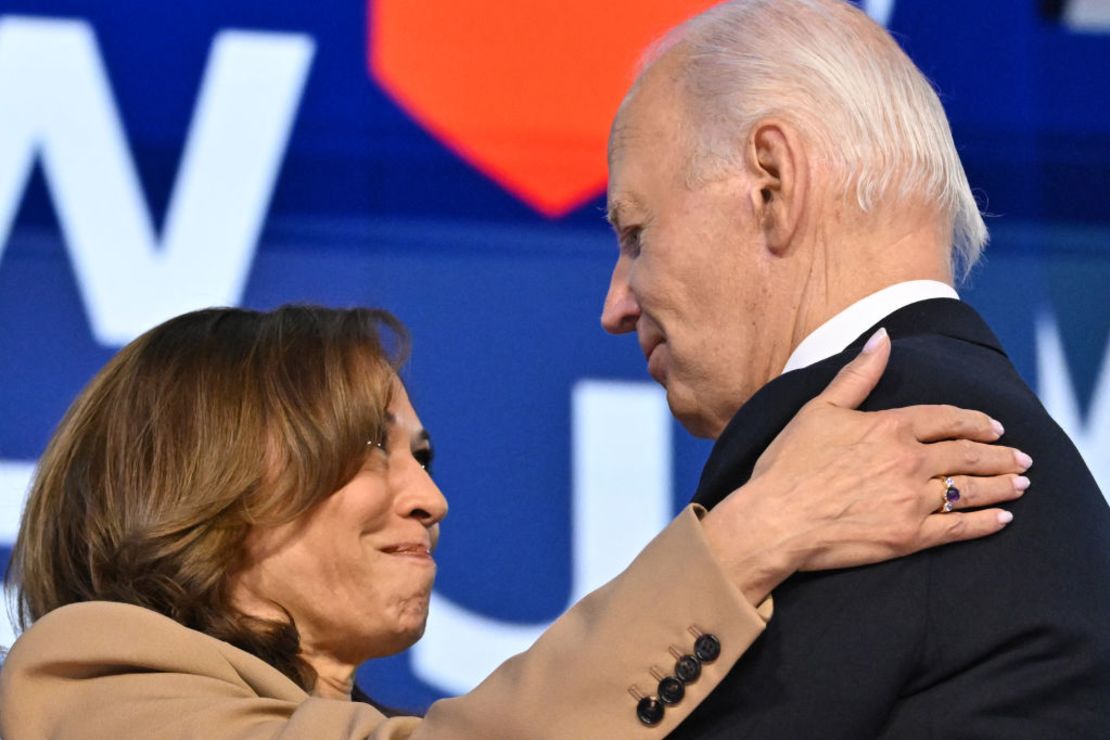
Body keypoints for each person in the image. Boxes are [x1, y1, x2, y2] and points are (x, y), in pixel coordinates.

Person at [0, 305, 1025, 739]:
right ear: (200, 476)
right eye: (368, 446)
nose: (429, 496)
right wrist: (753, 535)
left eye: (424, 454)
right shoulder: (90, 686)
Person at [601, 0, 1110, 737]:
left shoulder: (849, 456)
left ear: (772, 184)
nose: (615, 305)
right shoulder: (1017, 439)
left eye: (636, 235)